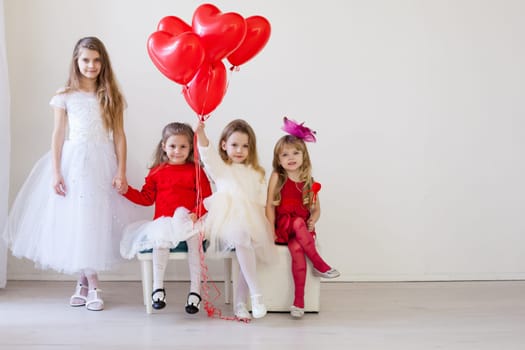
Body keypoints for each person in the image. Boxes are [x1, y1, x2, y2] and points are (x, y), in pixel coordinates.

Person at [4, 36, 141, 311]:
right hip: (74, 162)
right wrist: (56, 171)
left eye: (96, 60)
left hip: (102, 161)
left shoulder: (111, 95)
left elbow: (120, 136)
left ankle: (83, 282)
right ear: (76, 62)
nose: (91, 65)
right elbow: (57, 135)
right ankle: (93, 283)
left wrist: (121, 171)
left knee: (92, 219)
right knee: (79, 219)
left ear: (103, 63)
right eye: (86, 60)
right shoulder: (64, 95)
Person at [120, 122, 212, 313]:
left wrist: (196, 212)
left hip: (190, 220)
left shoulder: (195, 170)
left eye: (183, 146)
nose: (177, 151)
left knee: (195, 241)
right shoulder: (157, 172)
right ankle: (158, 288)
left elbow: (206, 197)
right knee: (160, 241)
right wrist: (126, 190)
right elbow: (146, 198)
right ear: (164, 146)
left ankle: (195, 292)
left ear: (191, 148)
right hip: (165, 222)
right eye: (172, 146)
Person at [194, 119, 275, 320]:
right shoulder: (221, 168)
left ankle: (241, 302)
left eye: (245, 146)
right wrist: (201, 133)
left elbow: (261, 203)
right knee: (240, 235)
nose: (239, 150)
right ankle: (256, 295)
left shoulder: (257, 173)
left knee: (249, 239)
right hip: (225, 220)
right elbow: (207, 153)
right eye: (234, 145)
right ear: (224, 145)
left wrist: (265, 227)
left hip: (252, 219)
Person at [266, 117, 340, 318]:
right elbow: (269, 206)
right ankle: (320, 264)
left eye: (296, 153)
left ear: (304, 156)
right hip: (284, 226)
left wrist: (313, 220)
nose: (291, 157)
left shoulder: (309, 181)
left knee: (298, 251)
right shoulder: (277, 177)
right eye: (285, 154)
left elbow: (316, 209)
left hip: (301, 232)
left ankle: (298, 302)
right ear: (278, 160)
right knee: (297, 222)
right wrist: (270, 230)